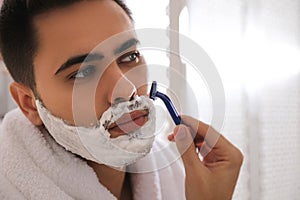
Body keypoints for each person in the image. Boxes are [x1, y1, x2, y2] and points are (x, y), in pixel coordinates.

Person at [0, 0, 243, 199]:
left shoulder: (175, 173)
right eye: (83, 73)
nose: (127, 90)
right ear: (28, 103)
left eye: (130, 57)